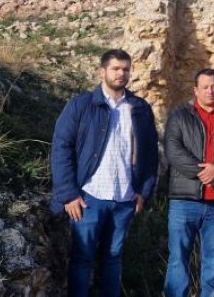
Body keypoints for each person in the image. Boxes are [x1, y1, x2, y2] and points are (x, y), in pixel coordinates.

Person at [50, 49, 159, 297]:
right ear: (102, 71)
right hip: (89, 198)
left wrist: (144, 192)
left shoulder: (139, 108)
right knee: (82, 259)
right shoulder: (81, 105)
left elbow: (151, 155)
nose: (121, 73)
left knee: (113, 259)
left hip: (125, 199)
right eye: (115, 68)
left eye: (126, 69)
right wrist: (67, 193)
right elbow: (61, 147)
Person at [163, 68, 214, 297]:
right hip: (184, 200)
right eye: (206, 87)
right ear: (195, 90)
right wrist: (205, 173)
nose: (211, 91)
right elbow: (173, 150)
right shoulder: (179, 116)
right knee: (178, 257)